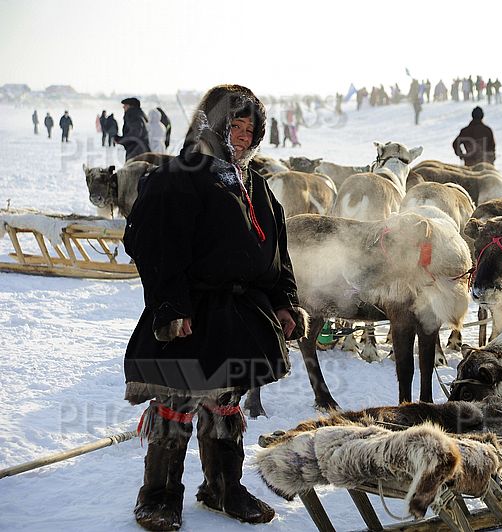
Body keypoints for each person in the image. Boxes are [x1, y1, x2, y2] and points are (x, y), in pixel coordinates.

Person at [122, 84, 307, 531]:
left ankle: (224, 487)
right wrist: (170, 307)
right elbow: (154, 245)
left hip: (241, 315)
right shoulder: (177, 176)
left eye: (249, 130)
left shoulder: (255, 184)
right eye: (234, 127)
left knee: (226, 402)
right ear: (212, 126)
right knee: (177, 404)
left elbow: (277, 255)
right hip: (192, 312)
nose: (242, 137)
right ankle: (159, 495)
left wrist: (284, 302)